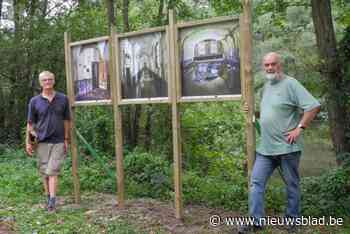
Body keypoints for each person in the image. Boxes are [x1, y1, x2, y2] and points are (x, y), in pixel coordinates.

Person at [239, 52, 321, 233]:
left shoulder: (291, 84)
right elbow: (267, 115)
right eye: (266, 65)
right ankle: (256, 222)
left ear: (280, 65)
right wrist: (250, 112)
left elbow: (313, 106)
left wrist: (300, 128)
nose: (269, 68)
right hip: (265, 149)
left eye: (273, 64)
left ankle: (292, 221)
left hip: (287, 148)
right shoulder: (266, 87)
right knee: (256, 183)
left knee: (291, 185)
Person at [25, 71, 71, 213]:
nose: (47, 82)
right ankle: (48, 196)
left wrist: (66, 139)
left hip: (58, 141)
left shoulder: (63, 99)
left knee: (52, 171)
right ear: (40, 83)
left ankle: (52, 201)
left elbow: (67, 120)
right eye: (44, 80)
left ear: (54, 81)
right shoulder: (34, 101)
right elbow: (31, 125)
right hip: (41, 142)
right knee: (45, 173)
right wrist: (29, 143)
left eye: (50, 79)